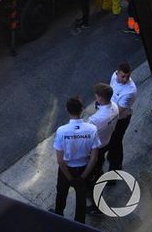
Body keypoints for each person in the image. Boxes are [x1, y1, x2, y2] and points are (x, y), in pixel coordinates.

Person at [49, 96, 100, 223]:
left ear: (67, 110)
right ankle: (79, 224)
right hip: (84, 169)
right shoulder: (92, 129)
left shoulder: (61, 131)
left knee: (61, 195)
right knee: (81, 200)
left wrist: (70, 178)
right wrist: (83, 177)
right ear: (82, 109)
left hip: (66, 170)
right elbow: (94, 158)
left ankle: (58, 216)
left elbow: (60, 161)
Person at [86, 83, 119, 215]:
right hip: (107, 142)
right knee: (98, 167)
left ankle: (97, 206)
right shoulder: (115, 107)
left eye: (96, 96)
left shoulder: (95, 119)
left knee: (92, 175)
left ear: (99, 98)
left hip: (97, 149)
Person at [106, 63, 137, 172]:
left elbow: (117, 111)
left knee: (116, 143)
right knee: (112, 142)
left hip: (121, 120)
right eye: (123, 76)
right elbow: (110, 91)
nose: (125, 79)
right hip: (111, 115)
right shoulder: (114, 76)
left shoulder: (130, 91)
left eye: (128, 76)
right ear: (117, 73)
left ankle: (115, 168)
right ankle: (110, 156)